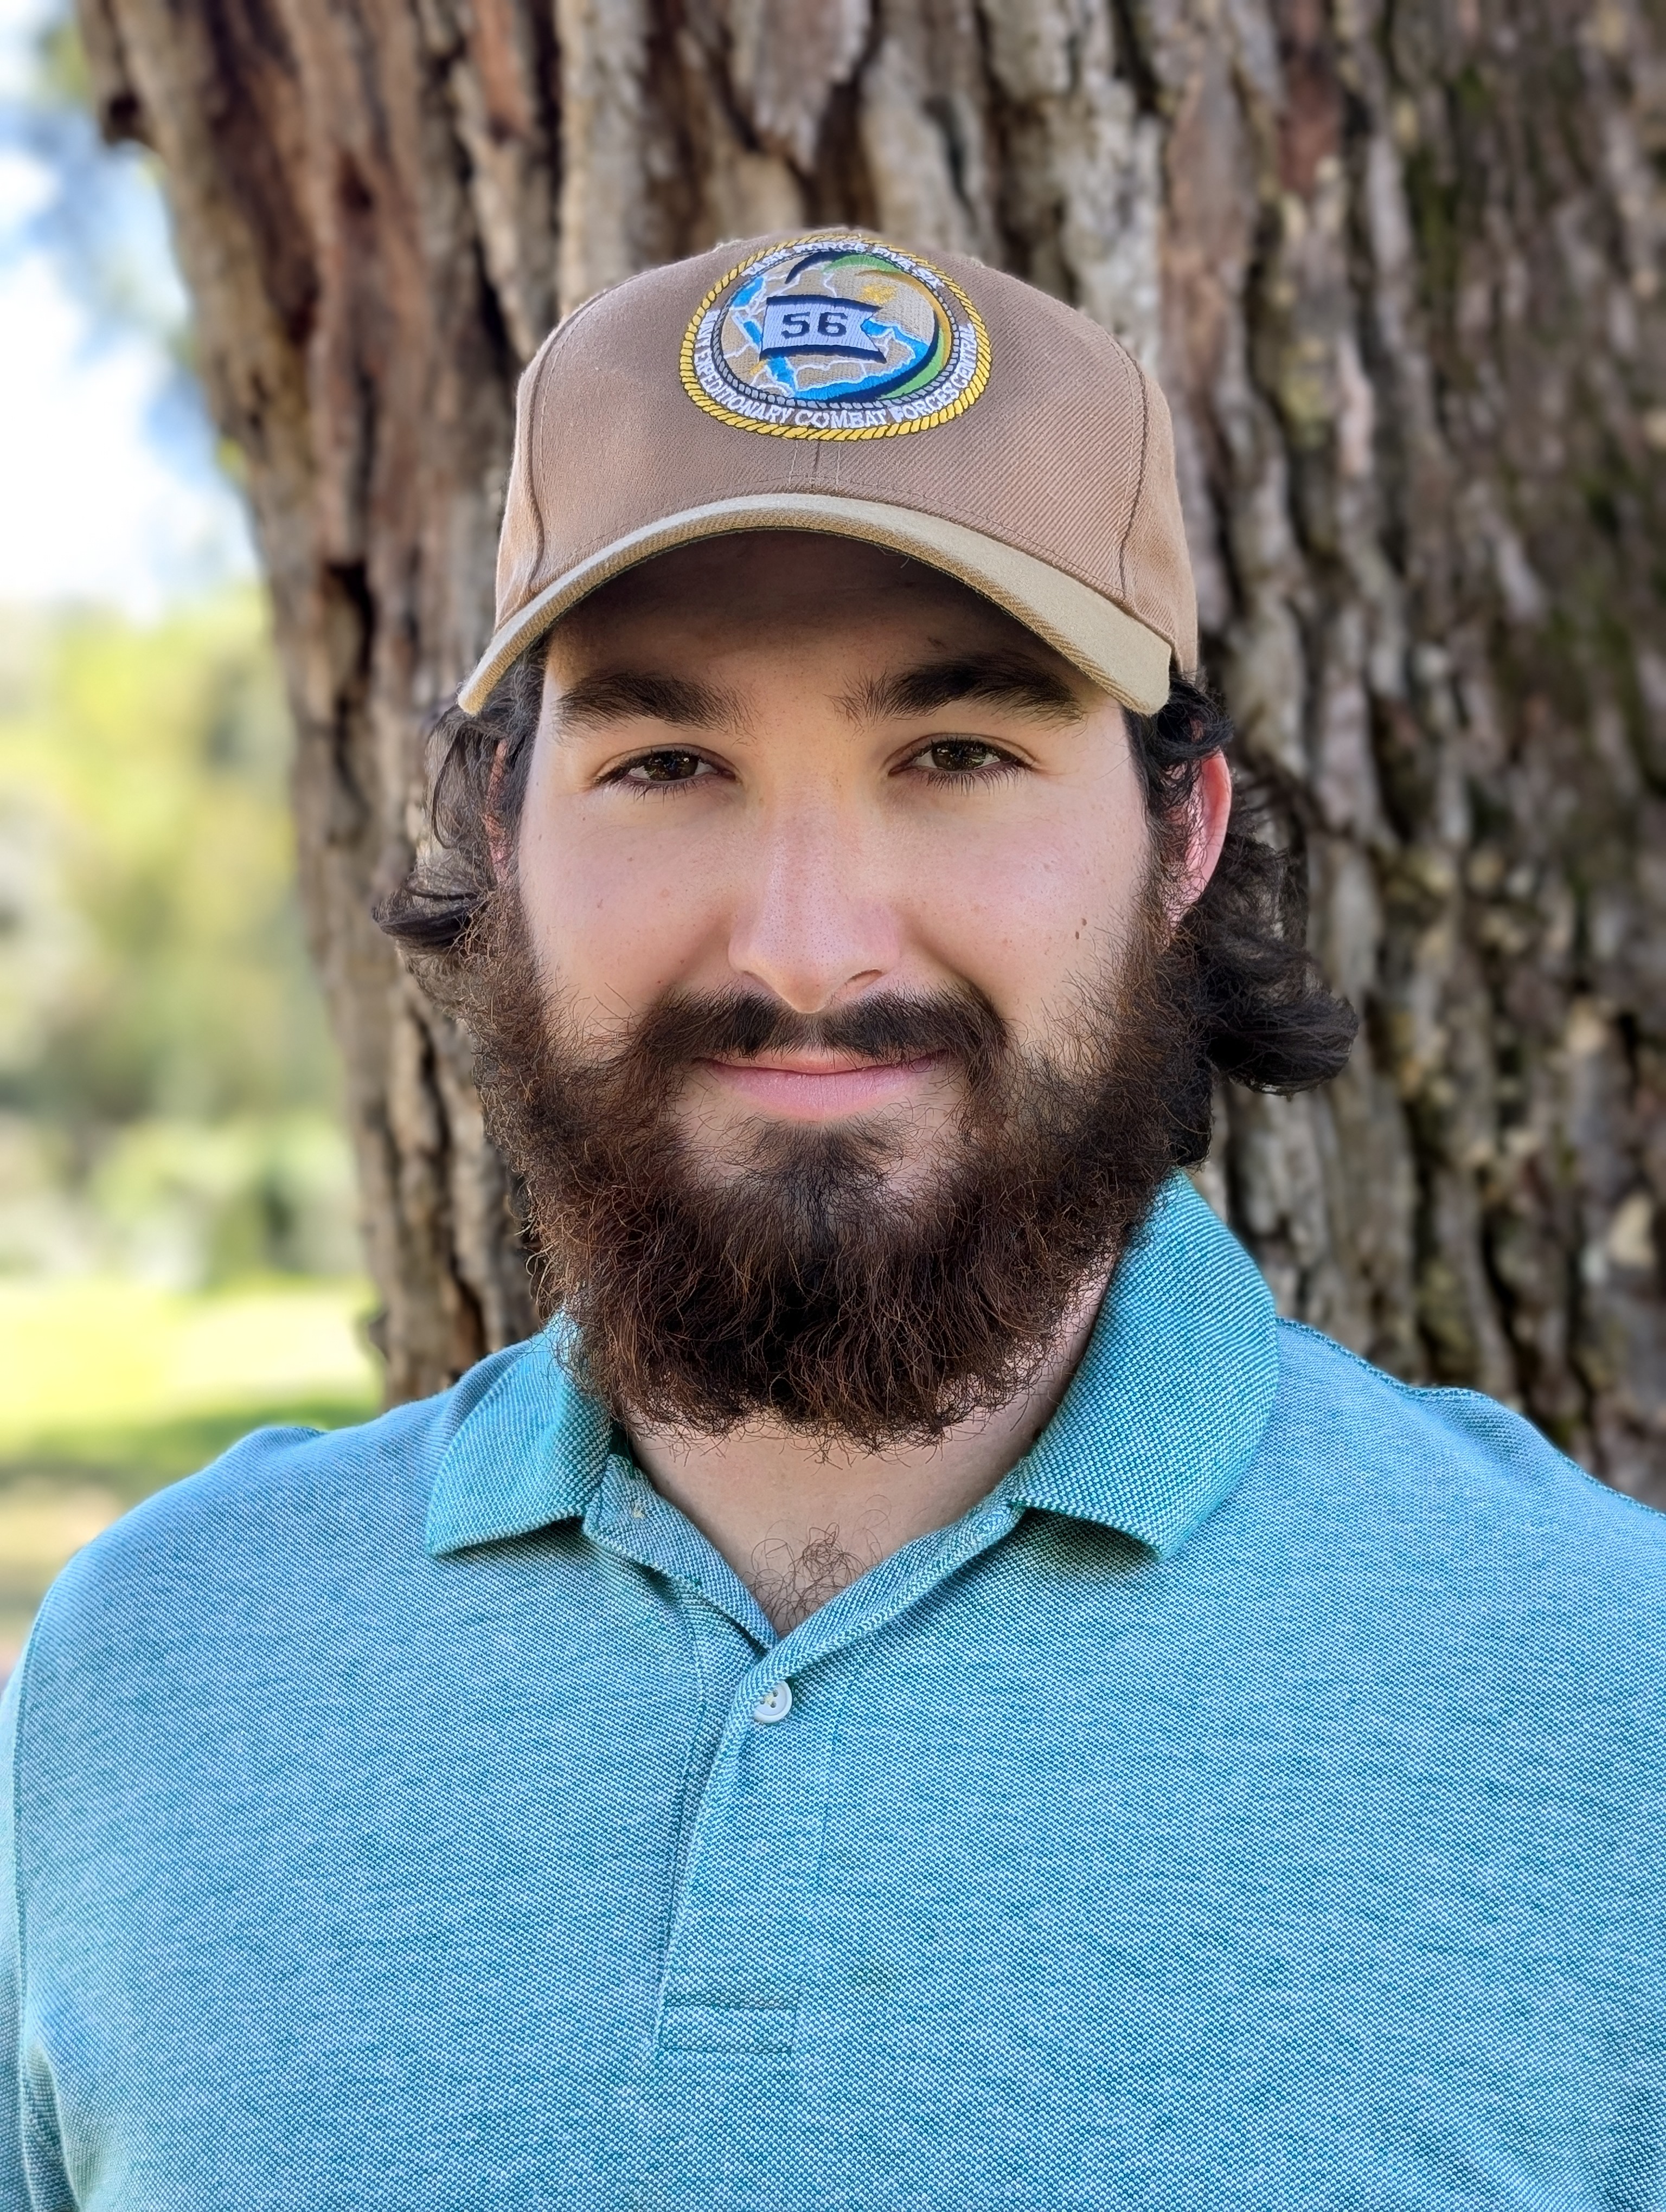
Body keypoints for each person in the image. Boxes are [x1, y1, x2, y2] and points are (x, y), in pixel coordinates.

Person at [3, 231, 1662, 2211]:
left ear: (1183, 840)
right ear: (503, 842)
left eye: (956, 755)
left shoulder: (1607, 1704)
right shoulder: (148, 1676)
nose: (805, 945)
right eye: (668, 761)